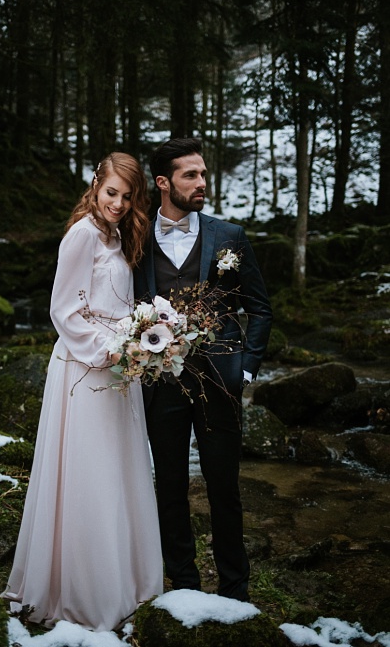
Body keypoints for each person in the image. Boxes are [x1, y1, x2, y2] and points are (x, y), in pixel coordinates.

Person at [2, 153, 163, 631]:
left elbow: (116, 301)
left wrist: (140, 337)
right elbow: (63, 311)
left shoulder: (117, 234)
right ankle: (83, 591)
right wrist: (110, 348)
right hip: (86, 367)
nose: (116, 203)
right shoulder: (83, 234)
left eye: (126, 196)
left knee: (118, 471)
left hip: (118, 370)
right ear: (96, 185)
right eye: (110, 192)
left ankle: (125, 581)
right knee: (88, 472)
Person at [135, 137, 272, 603]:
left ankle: (236, 590)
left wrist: (247, 369)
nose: (202, 183)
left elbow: (259, 308)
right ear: (162, 182)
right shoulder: (135, 239)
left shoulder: (229, 236)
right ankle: (185, 587)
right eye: (190, 175)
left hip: (221, 381)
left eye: (204, 174)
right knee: (169, 485)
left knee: (223, 487)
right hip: (161, 382)